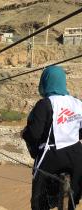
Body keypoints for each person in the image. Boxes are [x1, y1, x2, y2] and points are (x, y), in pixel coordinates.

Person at [21, 65, 82, 210]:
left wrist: (25, 135)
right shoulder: (78, 103)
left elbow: (34, 134)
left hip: (51, 155)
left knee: (39, 201)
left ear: (45, 82)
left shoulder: (45, 104)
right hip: (77, 155)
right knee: (73, 196)